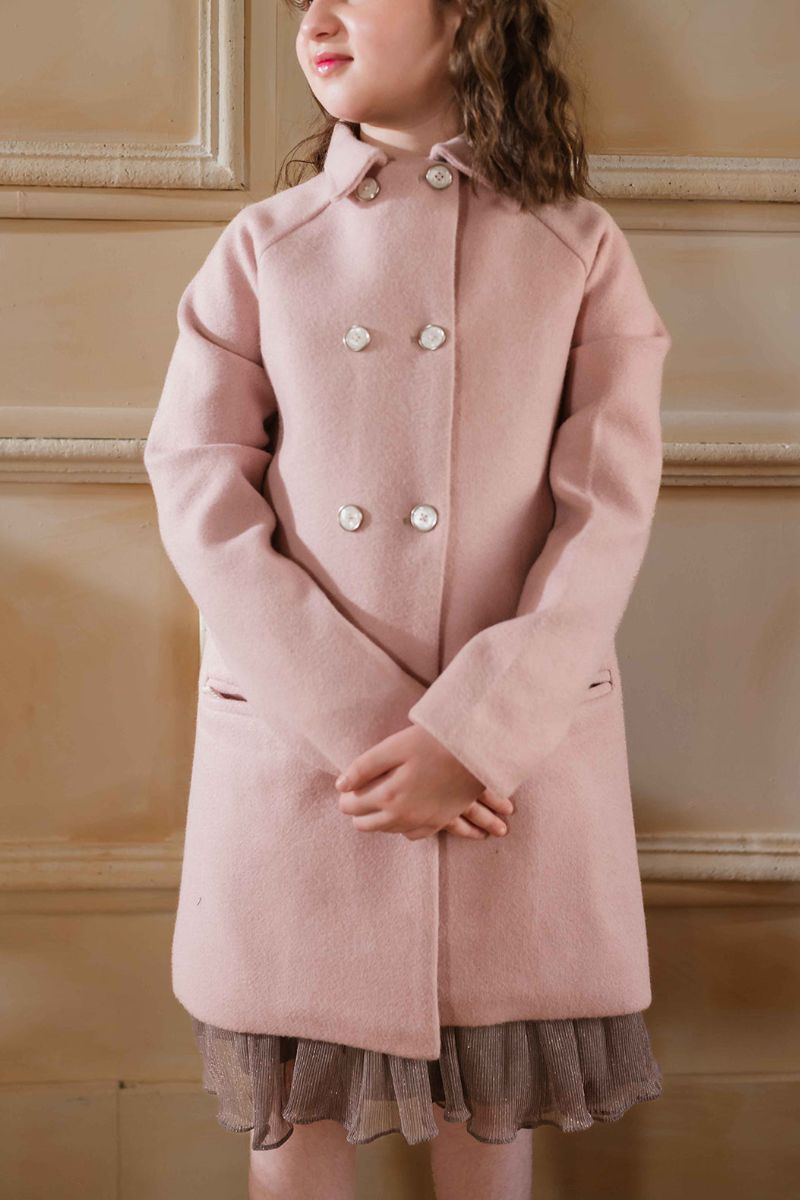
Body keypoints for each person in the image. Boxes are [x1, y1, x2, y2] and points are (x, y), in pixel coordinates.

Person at [144, 0, 673, 1196]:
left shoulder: (574, 247)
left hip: (509, 765)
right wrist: (374, 731)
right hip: (306, 761)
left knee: (492, 1116)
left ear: (468, 13)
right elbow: (197, 488)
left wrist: (473, 736)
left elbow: (605, 512)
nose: (316, 17)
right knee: (296, 1125)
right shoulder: (264, 245)